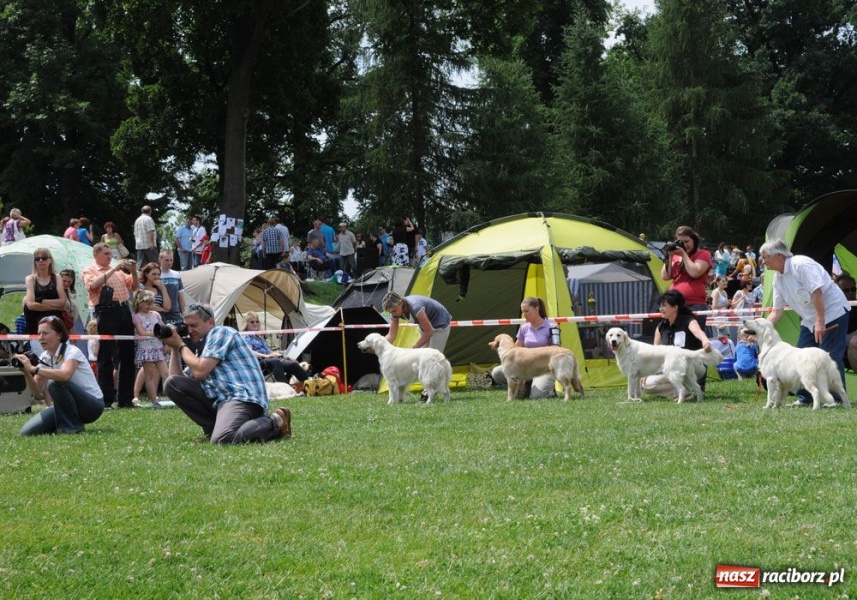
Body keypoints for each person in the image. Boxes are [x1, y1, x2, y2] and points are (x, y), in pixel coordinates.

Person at [161, 304, 292, 444]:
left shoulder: (221, 332)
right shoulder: (203, 348)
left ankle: (275, 420)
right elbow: (177, 380)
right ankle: (214, 427)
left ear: (210, 322)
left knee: (222, 439)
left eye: (194, 325)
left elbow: (200, 372)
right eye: (187, 326)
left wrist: (181, 345)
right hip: (222, 399)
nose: (189, 330)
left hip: (242, 397)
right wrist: (175, 348)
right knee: (172, 384)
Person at [760, 239, 851, 406]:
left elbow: (817, 292)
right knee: (799, 356)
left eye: (765, 257)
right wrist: (759, 330)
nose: (762, 261)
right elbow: (776, 311)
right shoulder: (777, 278)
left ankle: (836, 400)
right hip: (809, 320)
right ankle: (805, 398)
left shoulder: (801, 264)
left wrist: (820, 322)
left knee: (829, 356)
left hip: (832, 313)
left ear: (779, 256)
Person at [16, 316, 105, 436]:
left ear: (59, 335)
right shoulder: (44, 356)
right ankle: (64, 423)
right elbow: (37, 394)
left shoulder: (72, 351)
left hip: (92, 406)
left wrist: (34, 369)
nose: (41, 337)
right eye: (39, 334)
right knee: (27, 432)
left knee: (55, 383)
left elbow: (64, 376)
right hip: (66, 405)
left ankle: (72, 428)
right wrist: (26, 372)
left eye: (45, 333)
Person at [82, 244, 139, 408]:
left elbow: (134, 287)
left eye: (110, 254)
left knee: (127, 354)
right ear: (96, 255)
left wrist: (134, 270)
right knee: (106, 355)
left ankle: (126, 398)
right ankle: (106, 398)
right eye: (106, 254)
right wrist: (114, 269)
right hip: (106, 310)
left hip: (123, 309)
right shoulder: (90, 270)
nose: (109, 256)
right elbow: (93, 286)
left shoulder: (120, 271)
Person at [640, 290, 713, 399]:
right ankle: (687, 392)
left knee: (677, 368)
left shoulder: (689, 321)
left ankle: (687, 389)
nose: (661, 309)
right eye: (660, 306)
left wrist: (705, 341)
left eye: (664, 306)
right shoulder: (660, 327)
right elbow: (654, 354)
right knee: (645, 384)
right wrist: (647, 372)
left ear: (675, 307)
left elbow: (699, 332)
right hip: (673, 367)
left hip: (693, 365)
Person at [490, 297, 561, 399]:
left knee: (537, 396)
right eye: (523, 311)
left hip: (544, 368)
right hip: (525, 367)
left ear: (536, 309)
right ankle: (524, 386)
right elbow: (515, 350)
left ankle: (550, 390)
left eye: (527, 311)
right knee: (496, 373)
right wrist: (498, 346)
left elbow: (556, 350)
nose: (524, 314)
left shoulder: (552, 327)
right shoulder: (524, 328)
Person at [661, 225, 712, 328]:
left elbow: (695, 272)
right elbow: (665, 276)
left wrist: (683, 255)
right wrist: (669, 257)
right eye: (680, 242)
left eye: (686, 241)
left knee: (692, 340)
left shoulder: (703, 254)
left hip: (694, 304)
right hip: (674, 305)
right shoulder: (675, 256)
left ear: (693, 240)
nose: (684, 245)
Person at [242, 311, 309, 386]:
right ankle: (286, 387)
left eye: (257, 321)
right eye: (252, 322)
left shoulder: (259, 337)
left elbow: (269, 352)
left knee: (292, 363)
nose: (255, 323)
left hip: (268, 361)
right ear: (246, 324)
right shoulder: (246, 336)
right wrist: (266, 356)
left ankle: (309, 383)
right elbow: (250, 352)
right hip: (256, 363)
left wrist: (285, 357)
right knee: (275, 361)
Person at [24, 248, 67, 356]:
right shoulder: (30, 279)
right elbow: (30, 305)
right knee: (42, 361)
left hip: (55, 328)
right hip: (36, 328)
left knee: (59, 360)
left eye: (44, 258)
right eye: (37, 259)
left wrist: (43, 302)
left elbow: (63, 302)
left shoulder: (56, 277)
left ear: (50, 260)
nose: (41, 261)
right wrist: (55, 306)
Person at [131, 292, 168, 407]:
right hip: (146, 349)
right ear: (139, 303)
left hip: (158, 348)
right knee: (149, 375)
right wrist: (157, 333)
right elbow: (141, 332)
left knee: (166, 373)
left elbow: (163, 327)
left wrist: (166, 338)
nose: (149, 306)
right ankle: (154, 401)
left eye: (151, 304)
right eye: (147, 304)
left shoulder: (156, 315)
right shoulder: (137, 316)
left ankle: (175, 396)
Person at [382, 292, 451, 351]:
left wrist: (413, 348)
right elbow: (391, 335)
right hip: (425, 326)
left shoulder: (415, 307)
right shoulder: (395, 311)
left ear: (401, 303)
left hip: (440, 321)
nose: (392, 314)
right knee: (423, 355)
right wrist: (379, 343)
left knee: (433, 356)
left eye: (394, 311)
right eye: (390, 312)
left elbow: (429, 332)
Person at [836, 273, 857, 371]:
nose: (850, 292)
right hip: (842, 340)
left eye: (853, 289)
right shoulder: (834, 307)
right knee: (854, 341)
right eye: (846, 290)